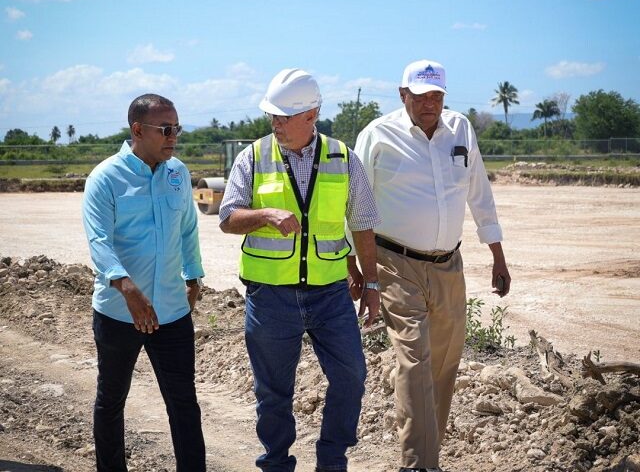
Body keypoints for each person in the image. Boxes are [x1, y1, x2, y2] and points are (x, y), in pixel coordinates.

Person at [349, 60, 511, 472]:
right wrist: (356, 265)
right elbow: (354, 202)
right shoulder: (377, 135)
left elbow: (479, 192)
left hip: (448, 264)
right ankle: (418, 464)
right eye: (420, 95)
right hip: (394, 261)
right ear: (402, 94)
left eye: (436, 95)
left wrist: (497, 254)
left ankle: (427, 453)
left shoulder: (460, 130)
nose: (429, 104)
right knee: (415, 360)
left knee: (443, 362)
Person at [219, 68, 381, 472]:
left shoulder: (344, 158)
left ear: (311, 115)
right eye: (272, 115)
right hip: (271, 296)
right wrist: (264, 214)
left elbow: (362, 223)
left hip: (330, 294)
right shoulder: (253, 156)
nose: (275, 123)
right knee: (273, 393)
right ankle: (275, 463)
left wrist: (372, 280)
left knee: (351, 378)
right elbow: (227, 218)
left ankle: (331, 459)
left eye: (283, 116)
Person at [82, 94, 207, 472]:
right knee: (112, 400)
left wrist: (194, 275)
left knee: (184, 402)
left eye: (177, 128)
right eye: (165, 129)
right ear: (137, 130)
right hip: (119, 313)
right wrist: (126, 287)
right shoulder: (106, 177)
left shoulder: (177, 173)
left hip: (171, 311)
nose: (174, 137)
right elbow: (99, 240)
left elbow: (188, 227)